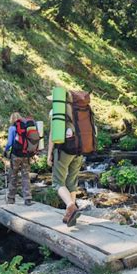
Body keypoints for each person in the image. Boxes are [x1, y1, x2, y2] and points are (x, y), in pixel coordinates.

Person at [47, 92, 83, 227]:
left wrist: (49, 154)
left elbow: (52, 134)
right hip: (79, 149)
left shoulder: (56, 112)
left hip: (64, 150)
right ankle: (71, 216)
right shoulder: (78, 110)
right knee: (71, 182)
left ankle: (70, 206)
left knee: (57, 182)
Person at [4, 112, 33, 206]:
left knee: (13, 176)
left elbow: (9, 143)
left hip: (16, 155)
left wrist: (5, 150)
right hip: (26, 155)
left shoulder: (13, 128)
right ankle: (28, 198)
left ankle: (11, 199)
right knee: (26, 176)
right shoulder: (27, 127)